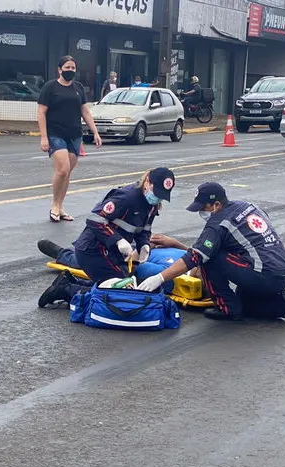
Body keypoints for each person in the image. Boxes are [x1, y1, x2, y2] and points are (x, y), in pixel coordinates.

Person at [137, 182, 285, 323]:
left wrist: (159, 278)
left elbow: (197, 256)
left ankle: (227, 308)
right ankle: (284, 307)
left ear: (216, 205)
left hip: (262, 274)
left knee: (209, 259)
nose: (201, 213)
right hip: (281, 272)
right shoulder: (248, 206)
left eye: (203, 208)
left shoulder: (218, 223)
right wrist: (176, 244)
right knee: (243, 300)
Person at [38, 168, 176, 307]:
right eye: (156, 193)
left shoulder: (152, 205)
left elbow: (144, 230)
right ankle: (65, 290)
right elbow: (94, 219)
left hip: (112, 253)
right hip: (92, 250)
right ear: (147, 182)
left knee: (122, 284)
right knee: (120, 292)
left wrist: (143, 245)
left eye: (161, 196)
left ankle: (70, 283)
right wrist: (118, 240)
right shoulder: (127, 197)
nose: (157, 198)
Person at [37, 55, 103, 223]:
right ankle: (54, 205)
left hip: (74, 135)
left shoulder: (78, 87)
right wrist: (44, 137)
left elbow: (85, 111)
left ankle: (60, 206)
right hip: (55, 134)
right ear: (60, 70)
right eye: (67, 68)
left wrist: (95, 132)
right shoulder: (50, 87)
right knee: (62, 169)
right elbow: (41, 112)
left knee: (67, 174)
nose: (70, 70)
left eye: (73, 68)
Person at [36, 236, 203, 296]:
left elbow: (134, 266)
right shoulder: (195, 260)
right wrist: (175, 243)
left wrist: (145, 246)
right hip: (147, 248)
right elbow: (197, 253)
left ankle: (63, 255)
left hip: (130, 256)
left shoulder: (170, 276)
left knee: (93, 260)